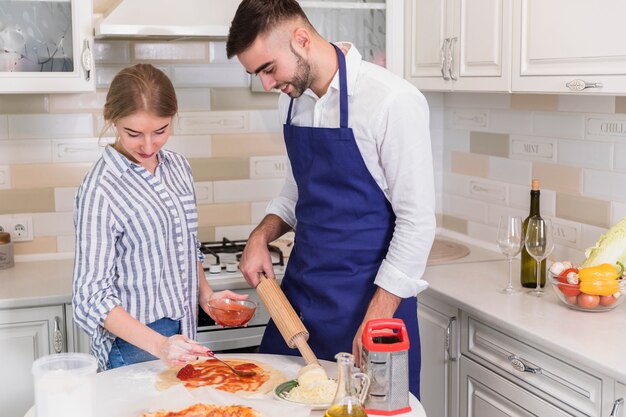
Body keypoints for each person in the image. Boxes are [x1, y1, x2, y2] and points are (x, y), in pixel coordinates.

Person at [226, 0, 436, 397]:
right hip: (301, 303)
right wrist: (260, 235)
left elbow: (417, 222)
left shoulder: (392, 102)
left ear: (301, 40)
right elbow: (297, 187)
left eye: (268, 69)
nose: (267, 84)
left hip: (370, 307)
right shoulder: (291, 102)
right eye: (257, 74)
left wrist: (377, 315)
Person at [72, 64, 247, 371]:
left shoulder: (178, 168)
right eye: (133, 133)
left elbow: (186, 244)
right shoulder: (100, 189)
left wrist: (206, 297)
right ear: (112, 119)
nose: (149, 145)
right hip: (134, 345)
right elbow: (90, 297)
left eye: (160, 131)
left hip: (183, 331)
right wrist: (160, 345)